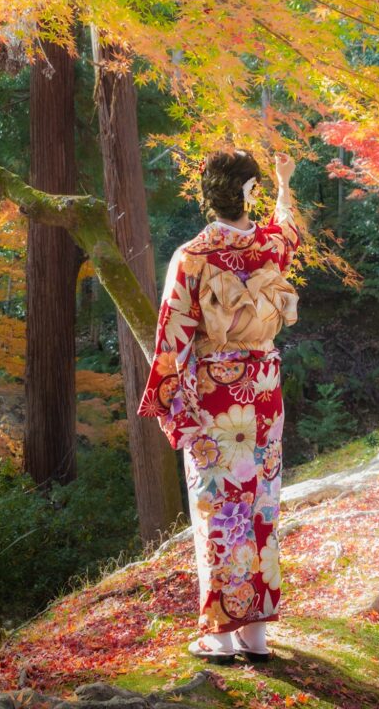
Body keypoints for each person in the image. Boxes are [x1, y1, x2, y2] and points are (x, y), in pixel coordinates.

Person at [137, 149, 301, 664]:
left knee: (218, 509)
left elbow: (172, 341)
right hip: (266, 392)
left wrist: (174, 409)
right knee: (260, 506)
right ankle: (257, 635)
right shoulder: (269, 247)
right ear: (249, 192)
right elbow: (289, 229)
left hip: (214, 398)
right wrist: (283, 182)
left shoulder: (192, 257)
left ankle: (222, 636)